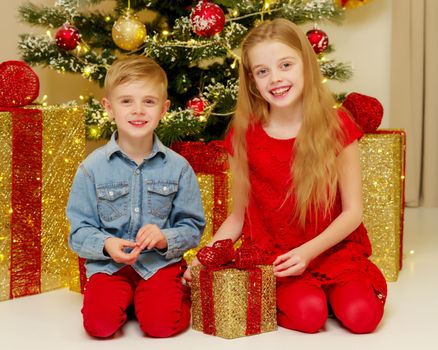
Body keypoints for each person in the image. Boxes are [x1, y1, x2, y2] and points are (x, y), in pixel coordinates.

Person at [184, 18, 387, 334]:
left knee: (362, 318)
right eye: (263, 71)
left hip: (331, 251)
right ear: (252, 81)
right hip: (278, 258)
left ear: (305, 64)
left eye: (286, 65)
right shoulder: (244, 135)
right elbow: (238, 217)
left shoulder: (337, 126)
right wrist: (205, 258)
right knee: (309, 316)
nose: (275, 79)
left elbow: (353, 212)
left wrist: (308, 253)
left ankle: (341, 292)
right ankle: (310, 297)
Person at [67, 56, 205, 338]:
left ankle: (173, 295)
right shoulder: (91, 168)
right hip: (109, 267)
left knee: (162, 327)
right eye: (127, 101)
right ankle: (126, 298)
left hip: (159, 265)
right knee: (99, 327)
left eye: (149, 102)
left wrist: (165, 237)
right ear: (109, 108)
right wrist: (106, 244)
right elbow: (79, 232)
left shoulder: (178, 168)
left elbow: (192, 227)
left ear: (164, 109)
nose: (138, 110)